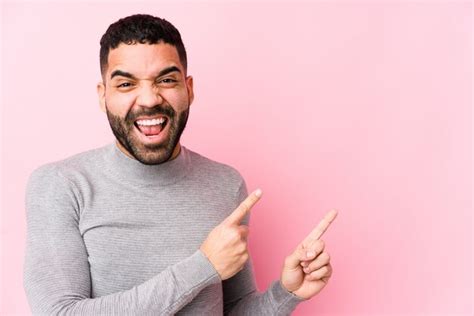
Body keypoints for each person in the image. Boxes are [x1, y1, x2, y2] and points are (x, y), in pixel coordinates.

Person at [23, 14, 337, 315]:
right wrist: (203, 266)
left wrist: (286, 293)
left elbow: (232, 311)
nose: (148, 99)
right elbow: (59, 312)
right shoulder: (61, 184)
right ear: (103, 96)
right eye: (126, 84)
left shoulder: (226, 184)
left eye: (166, 80)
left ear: (188, 89)